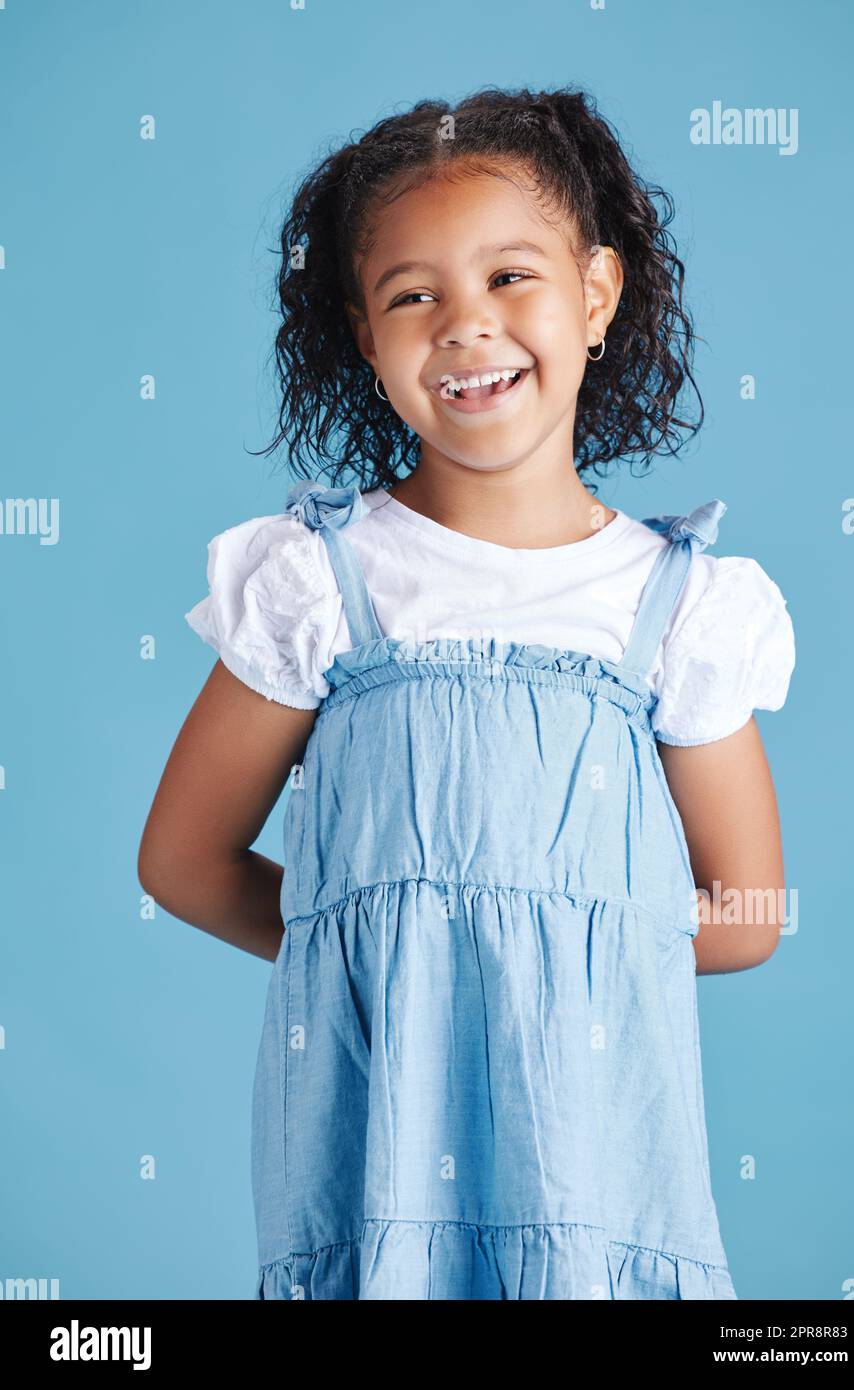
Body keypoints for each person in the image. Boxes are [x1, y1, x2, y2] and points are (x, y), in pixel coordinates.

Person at [138, 86, 795, 1300]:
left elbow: (746, 908)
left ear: (595, 293)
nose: (464, 326)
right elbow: (186, 860)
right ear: (362, 331)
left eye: (509, 277)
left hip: (596, 1160)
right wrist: (384, 946)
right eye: (411, 295)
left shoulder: (679, 607)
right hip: (374, 1143)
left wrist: (555, 951)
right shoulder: (320, 582)